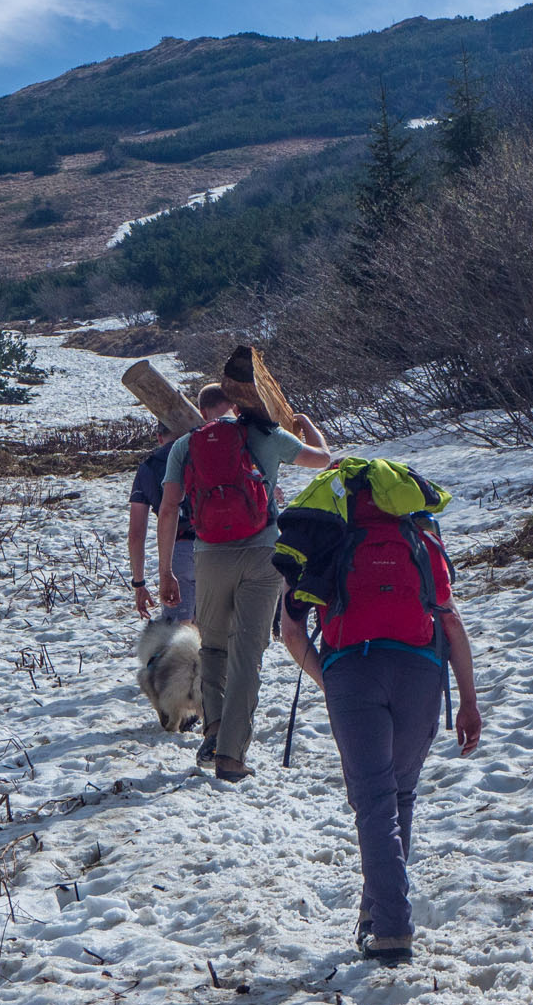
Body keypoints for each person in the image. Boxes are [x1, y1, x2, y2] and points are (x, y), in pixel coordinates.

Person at [278, 467, 481, 962]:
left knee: (373, 802)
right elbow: (450, 621)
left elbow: (289, 630)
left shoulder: (328, 544)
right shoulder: (421, 542)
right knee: (400, 794)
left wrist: (332, 682)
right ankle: (375, 912)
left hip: (353, 669)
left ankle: (391, 927)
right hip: (421, 671)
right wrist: (470, 701)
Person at [158, 382, 333, 782]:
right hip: (261, 555)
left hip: (208, 555)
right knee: (247, 655)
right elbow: (323, 460)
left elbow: (168, 509)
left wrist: (165, 571)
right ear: (237, 405)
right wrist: (307, 425)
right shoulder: (267, 435)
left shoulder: (187, 445)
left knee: (214, 649)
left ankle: (216, 727)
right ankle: (231, 756)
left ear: (202, 411)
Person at [128, 424, 195, 622]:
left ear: (159, 437)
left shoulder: (148, 467)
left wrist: (139, 583)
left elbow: (136, 534)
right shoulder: (204, 454)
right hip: (215, 549)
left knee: (178, 636)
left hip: (177, 554)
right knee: (212, 637)